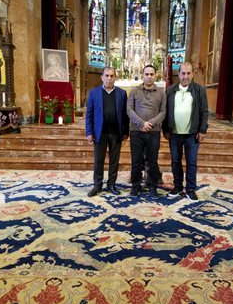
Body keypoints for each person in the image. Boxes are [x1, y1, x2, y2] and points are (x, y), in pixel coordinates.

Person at [162, 62, 208, 201]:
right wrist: (165, 129)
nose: (186, 76)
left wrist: (202, 130)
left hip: (192, 134)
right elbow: (165, 111)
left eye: (188, 73)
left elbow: (204, 111)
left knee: (191, 162)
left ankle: (190, 189)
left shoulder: (199, 90)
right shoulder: (170, 91)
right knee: (175, 161)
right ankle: (177, 186)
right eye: (183, 73)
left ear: (192, 74)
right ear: (179, 74)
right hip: (174, 134)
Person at [86, 66, 129, 197]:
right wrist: (89, 132)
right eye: (107, 76)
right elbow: (89, 114)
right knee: (98, 160)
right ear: (102, 77)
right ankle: (97, 185)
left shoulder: (122, 93)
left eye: (112, 76)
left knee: (114, 160)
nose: (109, 79)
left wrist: (125, 131)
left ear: (115, 77)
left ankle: (111, 184)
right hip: (100, 132)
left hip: (116, 133)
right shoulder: (94, 93)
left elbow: (125, 115)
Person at [127, 64, 166, 199]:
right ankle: (135, 185)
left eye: (151, 74)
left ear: (156, 76)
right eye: (146, 74)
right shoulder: (134, 91)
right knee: (136, 160)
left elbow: (163, 111)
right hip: (136, 131)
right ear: (143, 75)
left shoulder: (161, 92)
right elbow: (129, 109)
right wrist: (141, 123)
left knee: (152, 161)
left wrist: (151, 123)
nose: (149, 77)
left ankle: (152, 186)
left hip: (153, 132)